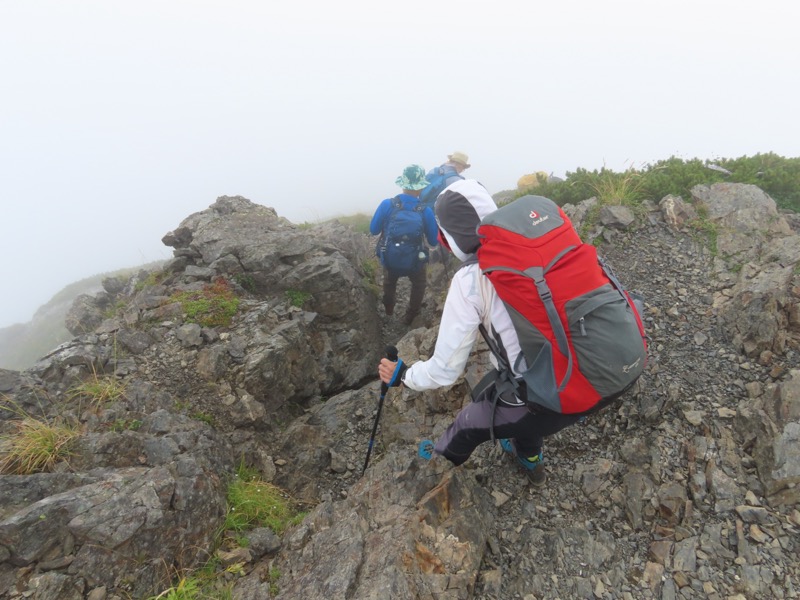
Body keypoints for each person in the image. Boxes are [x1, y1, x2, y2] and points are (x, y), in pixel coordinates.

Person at [377, 179, 584, 484]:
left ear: (451, 238)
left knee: (466, 425)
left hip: (551, 397)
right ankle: (529, 456)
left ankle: (436, 470)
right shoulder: (547, 242)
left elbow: (445, 372)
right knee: (517, 397)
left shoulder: (472, 278)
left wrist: (403, 376)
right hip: (598, 369)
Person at [370, 164, 439, 325]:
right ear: (420, 187)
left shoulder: (387, 204)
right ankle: (410, 316)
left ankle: (388, 310)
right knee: (419, 283)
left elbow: (373, 230)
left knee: (389, 281)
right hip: (415, 260)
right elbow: (434, 241)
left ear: (403, 184)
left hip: (390, 256)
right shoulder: (425, 211)